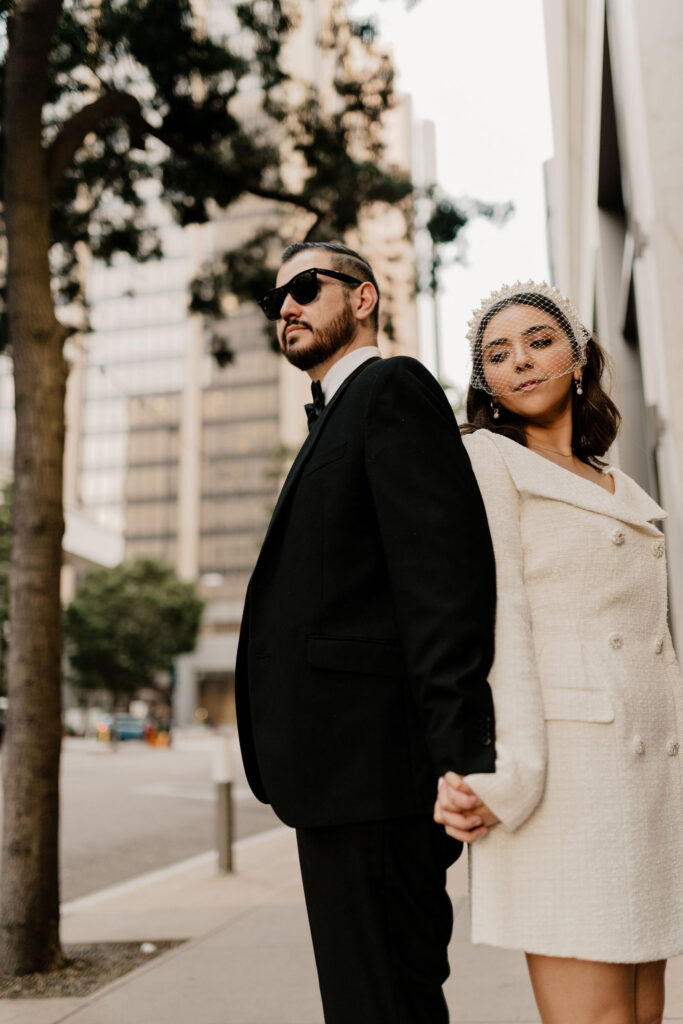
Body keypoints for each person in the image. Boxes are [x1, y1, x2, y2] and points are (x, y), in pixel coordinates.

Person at [236, 241, 497, 1023]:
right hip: (337, 780)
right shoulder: (335, 415)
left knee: (382, 1002)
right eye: (273, 296)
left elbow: (441, 580)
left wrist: (459, 763)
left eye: (305, 287)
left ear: (362, 299)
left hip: (378, 775)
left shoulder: (391, 387)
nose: (284, 305)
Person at [434, 280, 683, 1024]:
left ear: (577, 358)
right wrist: (506, 776)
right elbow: (499, 619)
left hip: (645, 779)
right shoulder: (483, 461)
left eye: (539, 341)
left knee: (642, 1016)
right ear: (488, 385)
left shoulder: (620, 483)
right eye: (498, 354)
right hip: (566, 777)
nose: (522, 361)